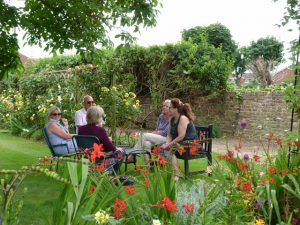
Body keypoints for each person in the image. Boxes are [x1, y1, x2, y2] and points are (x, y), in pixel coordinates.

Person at [78, 105, 123, 173]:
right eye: (101, 116)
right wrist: (116, 148)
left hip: (86, 157)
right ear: (98, 118)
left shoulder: (80, 129)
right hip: (99, 158)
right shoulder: (100, 130)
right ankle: (111, 175)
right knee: (121, 152)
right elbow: (110, 148)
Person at [160, 98, 197, 180]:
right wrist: (166, 143)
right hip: (180, 143)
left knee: (170, 149)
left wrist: (168, 145)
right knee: (164, 147)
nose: (168, 109)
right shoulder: (172, 118)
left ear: (176, 109)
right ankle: (173, 171)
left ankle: (177, 174)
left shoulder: (183, 118)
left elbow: (181, 136)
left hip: (190, 144)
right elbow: (169, 134)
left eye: (170, 108)